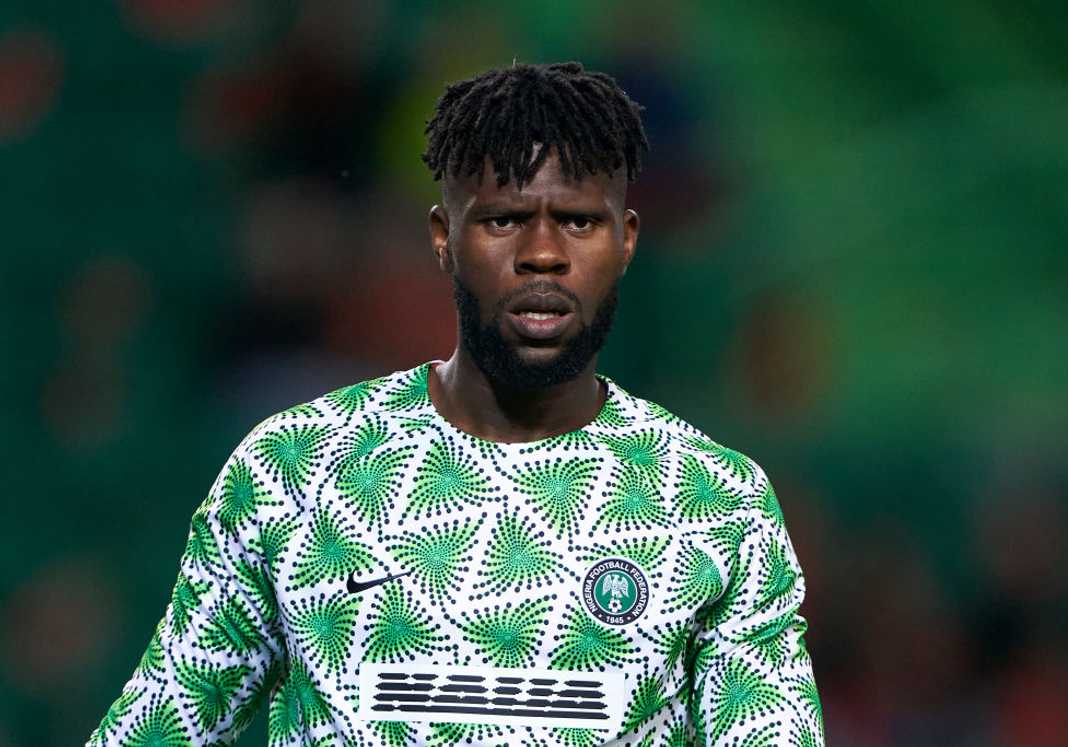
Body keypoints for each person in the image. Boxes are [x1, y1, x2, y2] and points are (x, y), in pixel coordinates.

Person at [89, 61, 824, 747]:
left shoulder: (713, 502)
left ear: (626, 240)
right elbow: (156, 726)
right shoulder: (296, 468)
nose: (543, 252)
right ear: (444, 237)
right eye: (504, 219)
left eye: (578, 220)